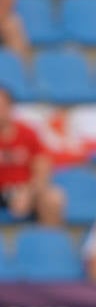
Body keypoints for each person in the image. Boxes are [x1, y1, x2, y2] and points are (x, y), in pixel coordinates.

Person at [0, 85, 63, 225]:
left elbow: (42, 170)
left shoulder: (28, 134)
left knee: (53, 198)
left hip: (24, 190)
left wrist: (29, 193)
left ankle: (50, 244)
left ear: (10, 107)